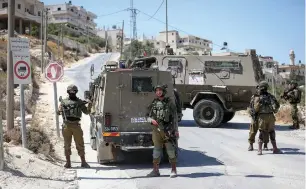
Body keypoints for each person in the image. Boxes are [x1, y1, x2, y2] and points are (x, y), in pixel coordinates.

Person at [146, 85, 179, 178]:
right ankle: (155, 170)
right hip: (156, 130)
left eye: (160, 90)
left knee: (170, 150)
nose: (158, 92)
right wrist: (151, 120)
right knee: (156, 150)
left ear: (163, 92)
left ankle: (174, 170)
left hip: (168, 130)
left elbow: (175, 117)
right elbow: (147, 116)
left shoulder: (170, 103)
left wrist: (175, 130)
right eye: (157, 90)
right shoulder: (153, 103)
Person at [58, 84, 92, 168]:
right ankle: (68, 162)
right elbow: (58, 112)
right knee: (67, 145)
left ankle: (83, 162)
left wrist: (90, 104)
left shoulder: (80, 102)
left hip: (76, 125)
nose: (72, 93)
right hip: (66, 125)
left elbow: (87, 112)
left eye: (74, 91)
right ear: (68, 92)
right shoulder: (64, 102)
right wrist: (62, 109)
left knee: (80, 144)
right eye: (71, 91)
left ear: (76, 92)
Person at [253, 81, 281, 155]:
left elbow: (255, 109)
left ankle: (259, 150)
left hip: (262, 117)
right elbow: (276, 106)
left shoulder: (258, 97)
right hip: (271, 116)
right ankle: (275, 149)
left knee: (262, 131)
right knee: (271, 131)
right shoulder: (271, 96)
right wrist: (274, 111)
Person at [248, 85, 269, 151]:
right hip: (255, 116)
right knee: (252, 131)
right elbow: (250, 106)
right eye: (258, 89)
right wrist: (251, 112)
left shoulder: (267, 96)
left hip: (263, 117)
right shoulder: (254, 97)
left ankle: (265, 145)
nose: (258, 90)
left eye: (259, 89)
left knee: (264, 131)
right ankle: (251, 144)